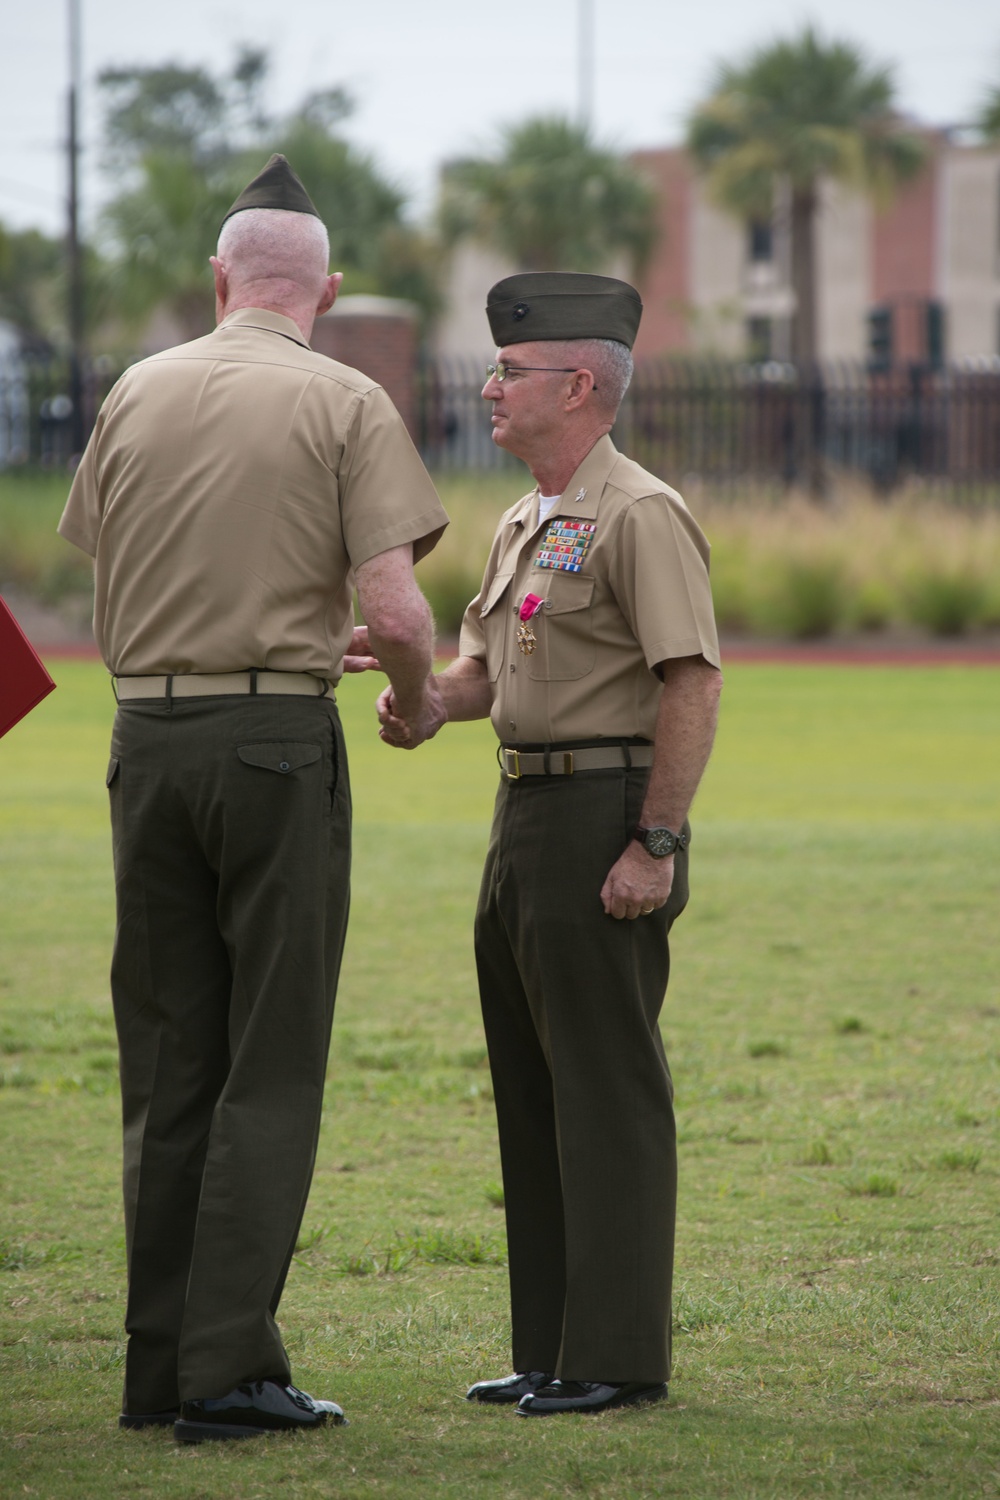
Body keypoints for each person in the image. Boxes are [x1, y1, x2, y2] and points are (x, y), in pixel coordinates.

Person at [57, 155, 448, 1442]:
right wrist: (417, 694)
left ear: (217, 279)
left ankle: (158, 1365)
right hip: (276, 743)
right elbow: (394, 611)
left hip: (143, 740)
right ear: (323, 291)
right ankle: (227, 1375)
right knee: (268, 1063)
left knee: (170, 1061)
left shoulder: (132, 391)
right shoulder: (345, 399)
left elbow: (104, 566)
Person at [378, 273, 722, 1417]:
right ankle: (553, 1346)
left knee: (605, 1088)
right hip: (522, 815)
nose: (488, 385)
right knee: (531, 1090)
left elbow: (689, 684)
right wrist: (430, 702)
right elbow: (487, 670)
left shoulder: (639, 513)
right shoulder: (529, 517)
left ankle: (616, 1355)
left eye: (509, 372)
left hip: (601, 815)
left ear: (577, 385)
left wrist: (655, 842)